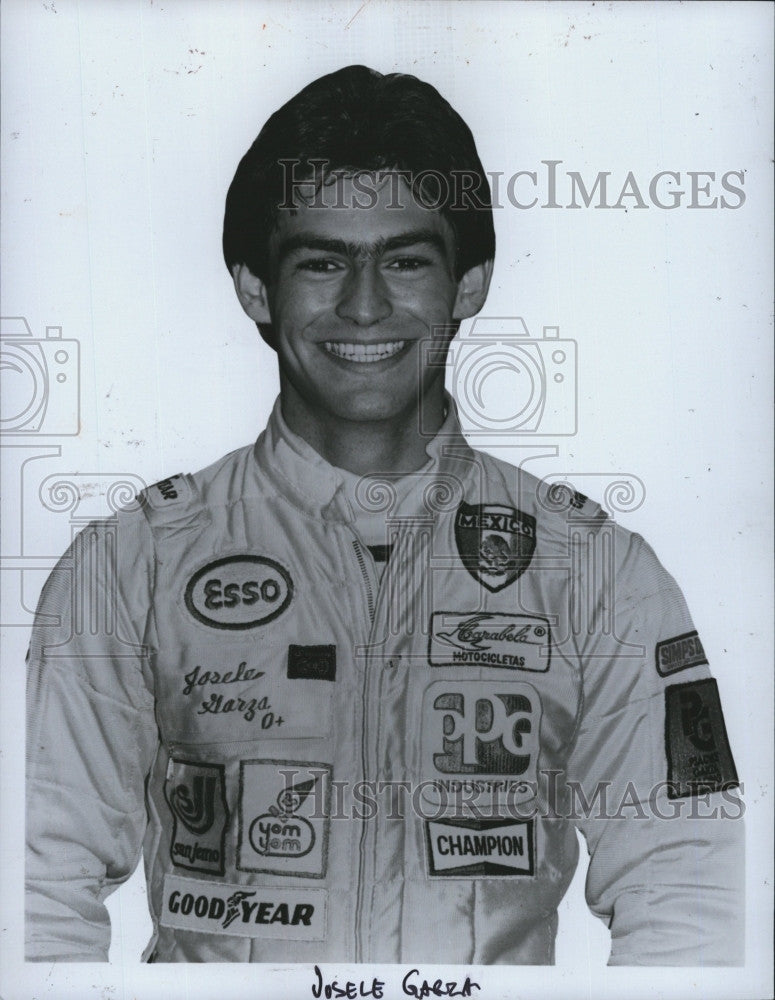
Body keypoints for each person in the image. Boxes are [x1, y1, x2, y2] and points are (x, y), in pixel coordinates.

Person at [25, 64, 743, 966]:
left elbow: (692, 885)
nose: (364, 306)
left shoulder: (601, 573)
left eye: (404, 260)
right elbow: (34, 884)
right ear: (255, 291)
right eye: (322, 262)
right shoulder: (130, 565)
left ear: (469, 284)